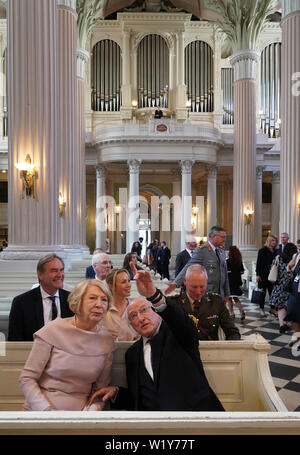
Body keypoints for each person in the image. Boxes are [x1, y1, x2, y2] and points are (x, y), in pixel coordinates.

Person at [88, 262, 225, 412]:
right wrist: (117, 392)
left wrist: (153, 295)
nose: (140, 318)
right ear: (132, 326)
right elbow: (139, 397)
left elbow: (182, 323)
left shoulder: (178, 334)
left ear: (157, 314)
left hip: (195, 417)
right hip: (154, 426)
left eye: (144, 310)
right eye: (133, 316)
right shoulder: (133, 354)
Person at [18, 279, 114, 411]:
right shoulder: (53, 329)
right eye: (92, 298)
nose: (99, 304)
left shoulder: (107, 340)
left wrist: (89, 413)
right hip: (41, 412)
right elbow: (27, 378)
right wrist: (46, 412)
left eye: (104, 300)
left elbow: (99, 391)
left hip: (81, 417)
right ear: (78, 302)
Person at [8, 254, 73, 341]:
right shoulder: (21, 302)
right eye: (54, 271)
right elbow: (14, 341)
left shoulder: (72, 300)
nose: (60, 275)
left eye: (61, 270)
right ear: (40, 274)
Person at [170, 264, 240, 340]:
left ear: (206, 282)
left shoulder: (216, 302)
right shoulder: (173, 303)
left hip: (210, 350)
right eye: (194, 287)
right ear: (185, 281)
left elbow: (232, 331)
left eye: (202, 286)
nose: (198, 291)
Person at [166, 226, 230, 304]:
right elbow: (188, 267)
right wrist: (176, 283)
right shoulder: (202, 251)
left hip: (220, 295)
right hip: (207, 295)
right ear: (214, 236)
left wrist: (227, 294)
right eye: (222, 237)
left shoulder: (221, 251)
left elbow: (225, 275)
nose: (225, 239)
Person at [269, 243, 298, 333]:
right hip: (289, 286)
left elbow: (272, 268)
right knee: (289, 306)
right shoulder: (294, 260)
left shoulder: (278, 258)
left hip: (278, 286)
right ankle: (290, 324)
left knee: (280, 307)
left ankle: (282, 325)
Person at [105, 269, 137, 341]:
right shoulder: (104, 309)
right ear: (111, 286)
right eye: (123, 282)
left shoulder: (134, 307)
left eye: (129, 281)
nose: (128, 285)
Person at [256, 234, 279, 317]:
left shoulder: (276, 251)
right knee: (262, 293)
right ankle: (261, 309)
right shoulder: (262, 250)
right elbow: (258, 263)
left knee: (272, 293)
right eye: (273, 240)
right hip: (263, 275)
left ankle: (272, 309)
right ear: (269, 241)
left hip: (272, 275)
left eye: (275, 241)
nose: (274, 242)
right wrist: (257, 274)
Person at [284, 239, 300, 347]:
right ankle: (298, 335)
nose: (299, 248)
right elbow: (289, 269)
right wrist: (290, 266)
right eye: (298, 246)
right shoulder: (297, 255)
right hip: (294, 288)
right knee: (291, 313)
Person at [226, 246, 246, 321]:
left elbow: (226, 271)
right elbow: (242, 271)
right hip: (237, 281)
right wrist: (236, 272)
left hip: (229, 281)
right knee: (236, 298)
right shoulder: (239, 261)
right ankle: (242, 311)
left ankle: (232, 313)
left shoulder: (227, 261)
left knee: (229, 298)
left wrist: (230, 272)